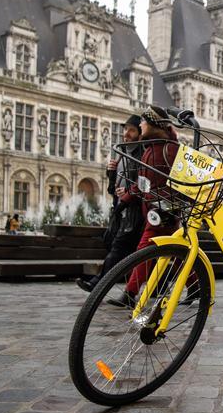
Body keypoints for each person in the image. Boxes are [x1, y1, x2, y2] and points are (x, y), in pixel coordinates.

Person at [107, 106, 198, 307]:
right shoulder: (151, 149)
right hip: (157, 209)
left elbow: (184, 179)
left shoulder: (169, 149)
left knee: (144, 251)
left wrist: (129, 199)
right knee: (175, 253)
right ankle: (195, 285)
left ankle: (130, 294)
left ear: (153, 124)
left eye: (143, 122)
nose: (140, 125)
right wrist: (125, 201)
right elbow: (142, 183)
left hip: (162, 210)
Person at [76, 114, 144, 293]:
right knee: (124, 250)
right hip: (121, 211)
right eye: (125, 129)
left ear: (139, 133)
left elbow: (145, 184)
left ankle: (98, 284)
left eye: (131, 130)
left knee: (118, 248)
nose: (126, 133)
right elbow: (113, 189)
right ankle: (155, 288)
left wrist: (129, 194)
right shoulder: (122, 152)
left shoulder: (142, 154)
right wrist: (111, 173)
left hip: (135, 212)